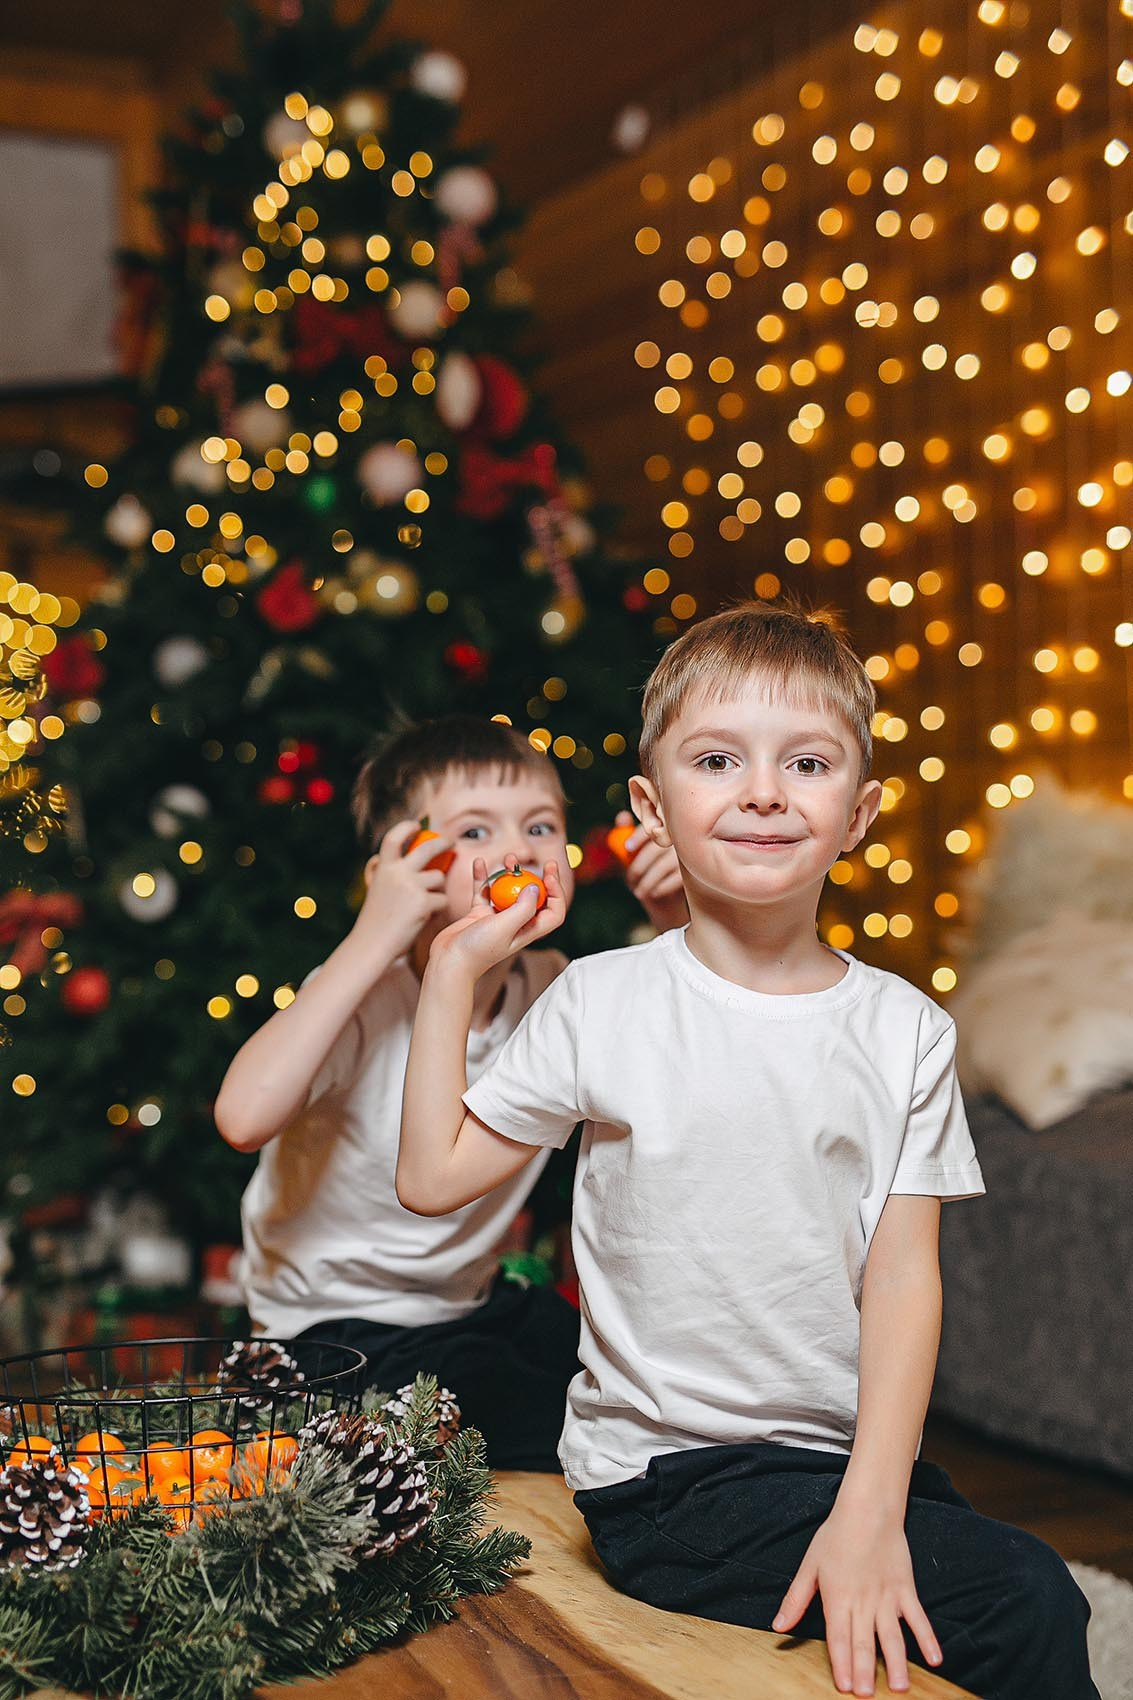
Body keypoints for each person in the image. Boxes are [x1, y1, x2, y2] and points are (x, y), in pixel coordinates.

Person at [396, 603, 1098, 1700]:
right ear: (651, 806)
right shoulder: (601, 999)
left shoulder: (905, 1027)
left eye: (805, 761)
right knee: (1028, 1596)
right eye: (717, 758)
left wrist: (868, 1506)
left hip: (827, 1455)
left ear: (856, 811)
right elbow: (429, 1178)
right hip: (665, 1479)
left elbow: (902, 1275)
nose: (762, 790)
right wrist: (449, 970)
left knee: (948, 1559)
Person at [215, 713, 685, 1471]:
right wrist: (376, 932)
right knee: (533, 1424)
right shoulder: (365, 997)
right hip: (329, 1330)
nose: (515, 851)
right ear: (408, 867)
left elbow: (680, 1064)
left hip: (470, 1302)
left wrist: (672, 921)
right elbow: (242, 1117)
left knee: (632, 1390)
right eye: (473, 833)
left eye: (539, 826)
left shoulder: (553, 985)